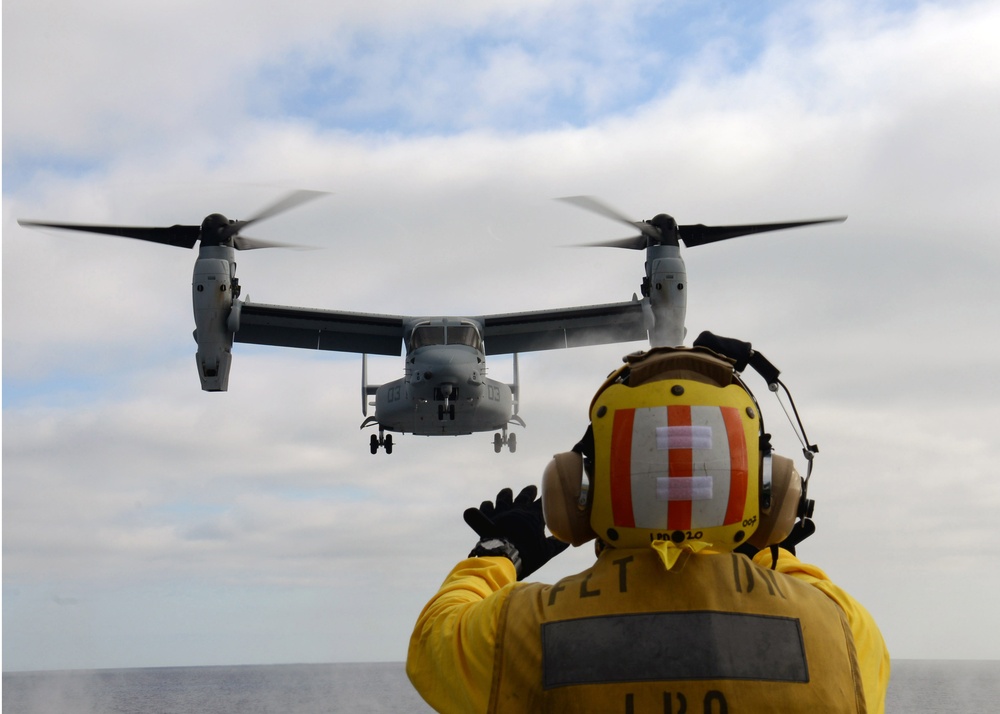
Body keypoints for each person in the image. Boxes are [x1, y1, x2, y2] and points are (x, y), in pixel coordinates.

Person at [407, 340, 890, 713]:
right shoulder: (843, 630)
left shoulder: (522, 630)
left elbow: (433, 641)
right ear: (773, 492)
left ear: (579, 489)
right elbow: (802, 591)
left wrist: (497, 553)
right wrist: (764, 546)